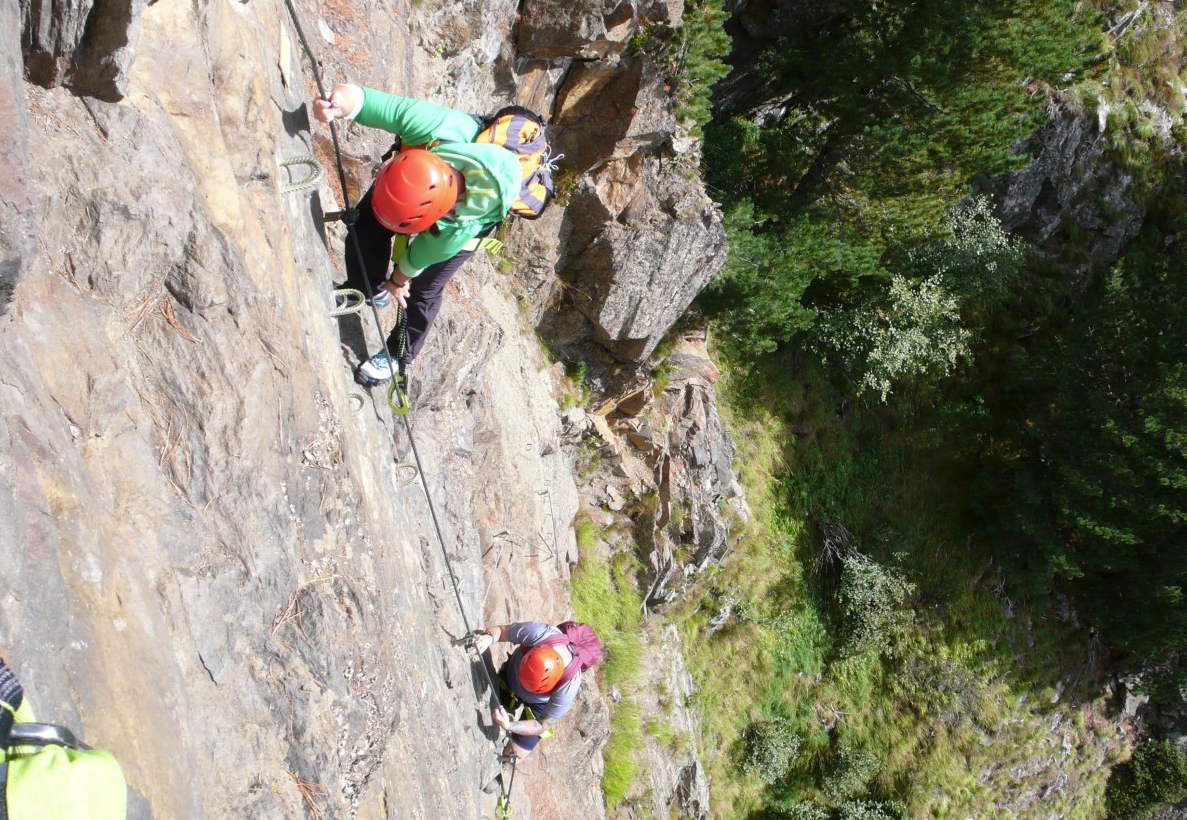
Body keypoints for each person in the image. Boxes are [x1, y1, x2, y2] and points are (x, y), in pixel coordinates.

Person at [313, 83, 523, 386]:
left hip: (467, 218)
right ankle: (364, 289)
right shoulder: (430, 127)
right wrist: (337, 104)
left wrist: (398, 281)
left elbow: (417, 260)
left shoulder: (460, 225)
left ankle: (399, 354)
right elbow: (367, 101)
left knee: (424, 290)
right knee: (367, 227)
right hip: (412, 181)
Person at [470, 621, 599, 793]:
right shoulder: (539, 633)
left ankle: (501, 770)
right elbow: (502, 632)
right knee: (501, 704)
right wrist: (488, 638)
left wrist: (510, 726)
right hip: (511, 677)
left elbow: (542, 724)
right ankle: (508, 703)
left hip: (540, 704)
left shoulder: (568, 686)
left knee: (516, 754)